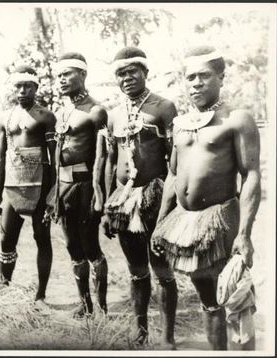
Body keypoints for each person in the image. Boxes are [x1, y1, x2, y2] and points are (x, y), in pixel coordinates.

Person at [152, 45, 261, 350]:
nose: (196, 83)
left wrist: (245, 234)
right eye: (190, 77)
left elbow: (250, 174)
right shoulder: (181, 123)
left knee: (236, 297)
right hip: (187, 224)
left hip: (221, 219)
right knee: (208, 300)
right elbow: (173, 176)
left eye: (204, 75)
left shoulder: (237, 119)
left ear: (221, 78)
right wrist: (161, 222)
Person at [102, 47, 178, 347]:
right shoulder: (114, 114)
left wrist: (172, 205)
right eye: (121, 73)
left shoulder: (163, 107)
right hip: (123, 200)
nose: (127, 77)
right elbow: (111, 160)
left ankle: (168, 336)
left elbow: (176, 159)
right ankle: (141, 330)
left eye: (132, 70)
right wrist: (108, 205)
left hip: (156, 198)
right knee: (136, 269)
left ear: (146, 72)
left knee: (162, 269)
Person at [44, 52, 108, 318]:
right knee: (72, 247)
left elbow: (105, 158)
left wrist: (100, 195)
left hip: (85, 187)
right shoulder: (62, 111)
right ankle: (85, 305)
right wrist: (53, 192)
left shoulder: (96, 111)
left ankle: (102, 307)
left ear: (83, 74)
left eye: (67, 74)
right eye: (58, 75)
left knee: (90, 245)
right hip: (63, 187)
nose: (61, 80)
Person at [0, 65, 56, 312]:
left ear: (36, 87)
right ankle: (3, 287)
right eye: (17, 86)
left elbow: (53, 159)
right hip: (12, 187)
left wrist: (53, 193)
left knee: (42, 239)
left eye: (27, 85)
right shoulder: (5, 118)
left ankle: (40, 296)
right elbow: (0, 157)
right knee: (7, 240)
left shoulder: (46, 116)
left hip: (40, 186)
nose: (22, 91)